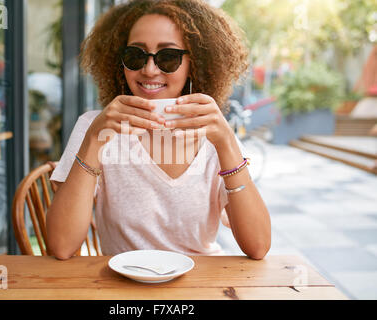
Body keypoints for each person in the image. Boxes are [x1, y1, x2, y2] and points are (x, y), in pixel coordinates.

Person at [47, 0, 271, 260]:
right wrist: (94, 140)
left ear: (194, 63)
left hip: (202, 282)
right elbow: (61, 246)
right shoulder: (95, 127)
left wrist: (226, 144)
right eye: (135, 55)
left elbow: (258, 246)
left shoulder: (213, 132)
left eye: (168, 57)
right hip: (123, 287)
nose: (149, 69)